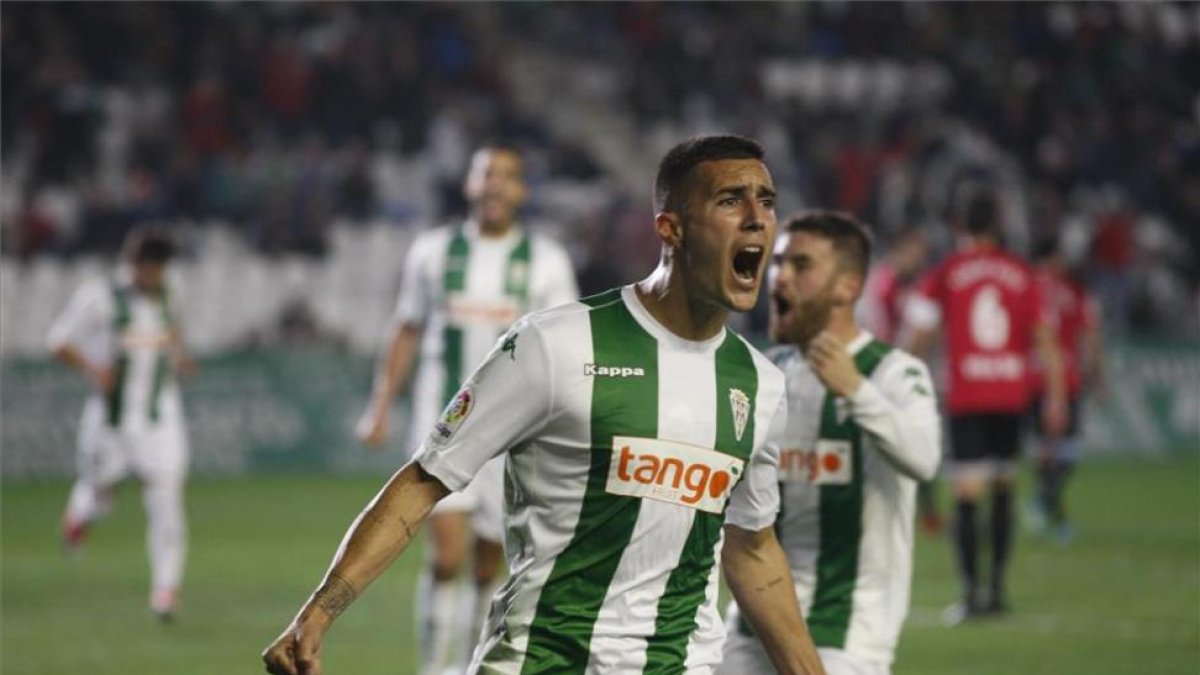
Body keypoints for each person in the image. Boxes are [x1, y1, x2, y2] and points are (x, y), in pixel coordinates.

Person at [263, 135, 826, 675]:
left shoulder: (760, 385)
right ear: (670, 228)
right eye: (731, 200)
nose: (758, 218)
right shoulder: (554, 345)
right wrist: (316, 615)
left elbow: (752, 550)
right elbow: (422, 481)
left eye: (767, 201)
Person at [355, 143, 578, 674]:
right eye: (487, 175)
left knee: (487, 564)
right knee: (446, 557)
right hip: (445, 423)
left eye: (508, 175)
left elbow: (566, 344)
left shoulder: (546, 261)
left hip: (514, 433)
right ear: (470, 186)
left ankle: (470, 665)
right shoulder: (433, 252)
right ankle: (434, 669)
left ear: (521, 190)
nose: (496, 184)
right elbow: (406, 327)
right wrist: (381, 405)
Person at [720, 212, 941, 675]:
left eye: (801, 264)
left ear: (847, 288)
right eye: (778, 262)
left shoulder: (893, 372)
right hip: (753, 620)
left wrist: (857, 392)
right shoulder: (762, 371)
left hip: (847, 628)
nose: (780, 276)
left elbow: (925, 459)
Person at [903, 192, 1067, 623]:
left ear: (960, 225)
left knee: (967, 493)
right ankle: (996, 591)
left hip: (968, 396)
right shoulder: (1022, 273)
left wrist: (904, 377)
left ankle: (971, 594)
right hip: (1011, 395)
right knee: (1004, 488)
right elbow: (1046, 338)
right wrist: (1055, 395)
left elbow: (919, 333)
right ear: (998, 224)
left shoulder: (947, 272)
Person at [48, 227, 194, 622]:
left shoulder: (171, 294)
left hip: (160, 417)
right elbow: (58, 340)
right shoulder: (100, 297)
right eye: (150, 267)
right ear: (133, 263)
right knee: (102, 497)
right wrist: (94, 370)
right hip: (110, 419)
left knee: (166, 499)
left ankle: (165, 591)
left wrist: (180, 358)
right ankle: (80, 514)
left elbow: (174, 334)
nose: (156, 276)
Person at [857, 226, 943, 536]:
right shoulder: (881, 283)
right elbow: (875, 328)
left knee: (918, 442)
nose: (919, 257)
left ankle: (927, 512)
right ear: (900, 249)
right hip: (884, 374)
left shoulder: (921, 283)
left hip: (909, 372)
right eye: (914, 250)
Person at [1026, 237, 1104, 544]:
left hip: (1033, 379)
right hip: (1065, 379)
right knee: (1067, 450)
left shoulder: (1028, 287)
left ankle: (1046, 504)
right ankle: (1048, 504)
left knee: (1046, 450)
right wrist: (1098, 378)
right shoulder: (1076, 291)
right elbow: (1092, 338)